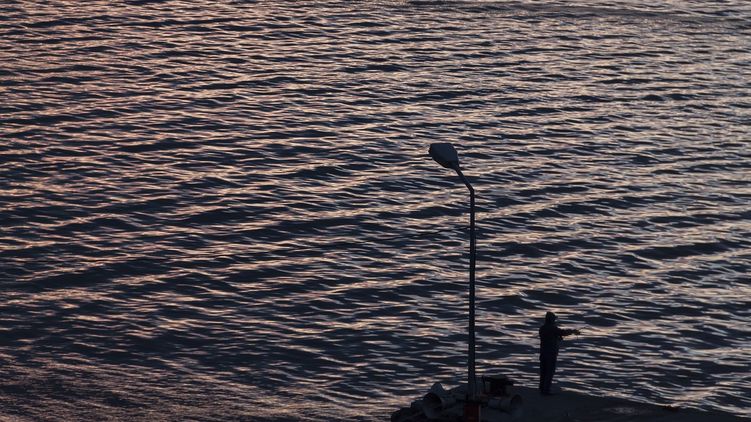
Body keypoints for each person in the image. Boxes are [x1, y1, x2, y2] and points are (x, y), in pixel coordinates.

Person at [539, 311, 580, 395]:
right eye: (554, 319)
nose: (555, 320)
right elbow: (563, 332)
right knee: (550, 372)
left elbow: (548, 338)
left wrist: (557, 338)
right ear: (551, 319)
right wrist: (573, 331)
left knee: (543, 371)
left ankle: (541, 388)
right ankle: (546, 391)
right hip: (551, 354)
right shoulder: (553, 328)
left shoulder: (542, 328)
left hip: (543, 353)